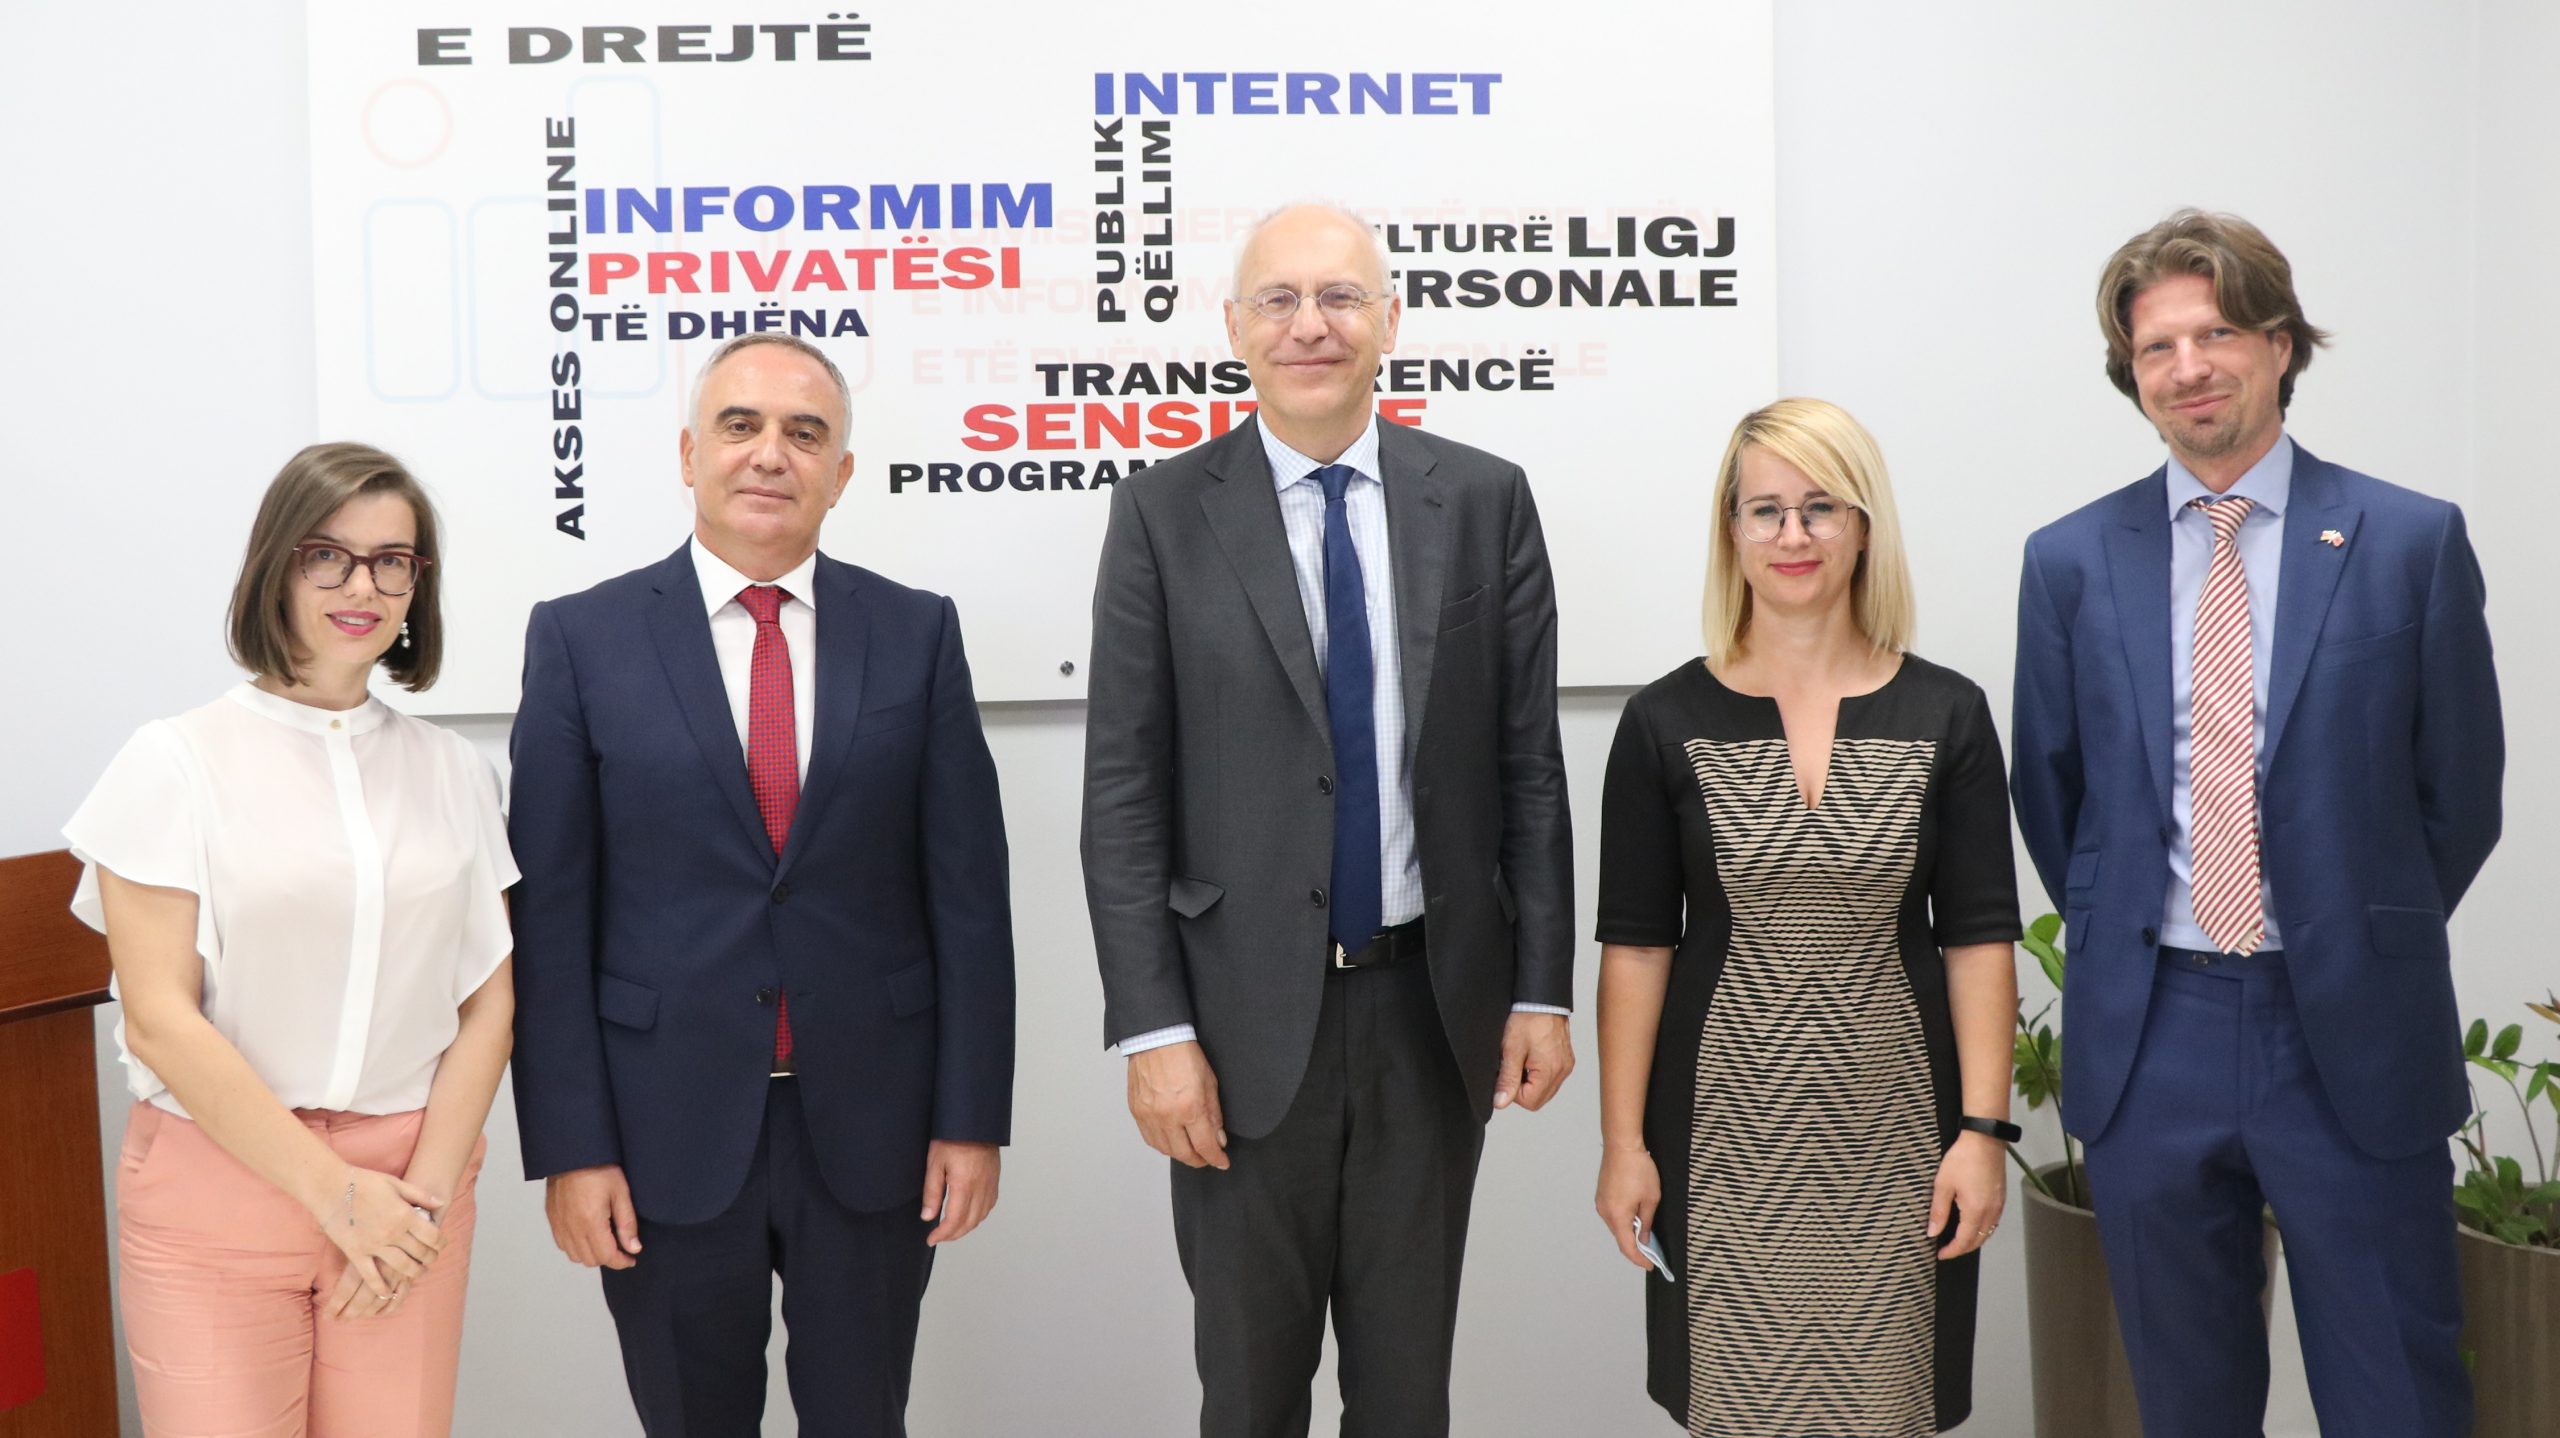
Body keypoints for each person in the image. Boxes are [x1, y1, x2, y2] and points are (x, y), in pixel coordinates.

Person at [1080, 201, 1577, 1437]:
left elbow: (1527, 765)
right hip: (1237, 1031)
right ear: (1234, 326)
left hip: (1431, 1015)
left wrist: (1540, 990)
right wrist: (1153, 1029)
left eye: (1341, 297)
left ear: (1388, 320)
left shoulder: (1481, 499)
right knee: (1249, 1397)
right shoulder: (1161, 514)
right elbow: (1123, 792)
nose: (1311, 325)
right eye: (1279, 299)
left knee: (1406, 1398)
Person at [2010, 209, 2503, 1438]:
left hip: (2349, 1033)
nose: (2187, 367)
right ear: (2131, 373)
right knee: (2187, 1403)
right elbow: (2054, 794)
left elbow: (2459, 791)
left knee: (2396, 1397)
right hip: (2152, 1035)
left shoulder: (2407, 540)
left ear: (2280, 344)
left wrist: (2353, 926)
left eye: (2216, 333)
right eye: (2156, 347)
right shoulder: (2070, 560)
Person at [508, 332, 1016, 1437]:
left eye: (805, 433)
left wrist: (971, 1119)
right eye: (739, 426)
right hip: (661, 1129)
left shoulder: (916, 631)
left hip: (873, 1128)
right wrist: (572, 1144)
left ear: (842, 472)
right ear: (689, 454)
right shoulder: (582, 639)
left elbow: (970, 900)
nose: (770, 453)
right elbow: (548, 919)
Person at [64, 443, 515, 1437]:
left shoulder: (452, 770)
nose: (363, 586)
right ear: (277, 565)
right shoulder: (173, 761)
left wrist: (421, 1203)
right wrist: (333, 1194)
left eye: (392, 561)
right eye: (328, 556)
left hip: (411, 1191)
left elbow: (489, 1003)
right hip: (218, 1186)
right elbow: (159, 1018)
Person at [1591, 398, 2021, 1436]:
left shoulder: (1947, 712)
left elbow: (1977, 942)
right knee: (1737, 1402)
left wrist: (1981, 1133)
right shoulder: (1662, 720)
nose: (1793, 535)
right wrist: (1622, 1144)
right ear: (1731, 532)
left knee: (1888, 1404)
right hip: (1718, 1132)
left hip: (1901, 1131)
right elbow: (1636, 951)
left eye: (1821, 507)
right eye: (1766, 510)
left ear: (1863, 526)